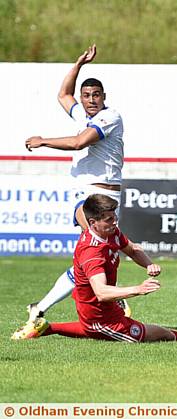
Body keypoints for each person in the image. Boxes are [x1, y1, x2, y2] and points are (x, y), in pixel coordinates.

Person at [11, 194, 177, 343]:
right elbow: (102, 292)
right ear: (93, 222)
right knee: (159, 334)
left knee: (92, 330)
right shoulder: (92, 252)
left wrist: (148, 264)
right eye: (108, 219)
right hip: (100, 318)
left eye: (114, 217)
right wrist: (138, 289)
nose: (114, 222)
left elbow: (132, 249)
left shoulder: (109, 231)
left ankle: (44, 327)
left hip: (103, 311)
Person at [20, 44, 131, 325]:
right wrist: (78, 64)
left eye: (96, 95)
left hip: (102, 192)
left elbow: (80, 141)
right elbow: (62, 94)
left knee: (92, 255)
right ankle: (108, 298)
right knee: (94, 252)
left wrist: (44, 140)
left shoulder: (110, 117)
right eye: (86, 95)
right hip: (89, 194)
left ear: (104, 97)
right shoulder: (83, 115)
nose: (91, 100)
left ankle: (41, 307)